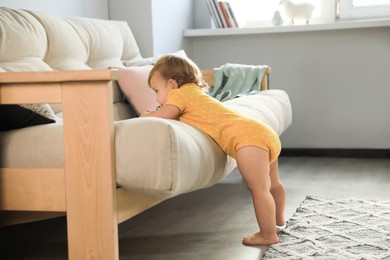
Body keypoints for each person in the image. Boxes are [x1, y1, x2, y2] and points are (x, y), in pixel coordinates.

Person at [141, 54, 286, 246]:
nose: (156, 97)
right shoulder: (195, 93)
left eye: (156, 90)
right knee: (273, 184)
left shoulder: (179, 95)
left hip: (247, 140)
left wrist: (147, 115)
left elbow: (166, 114)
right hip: (262, 132)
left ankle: (268, 234)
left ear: (172, 84)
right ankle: (279, 221)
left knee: (259, 189)